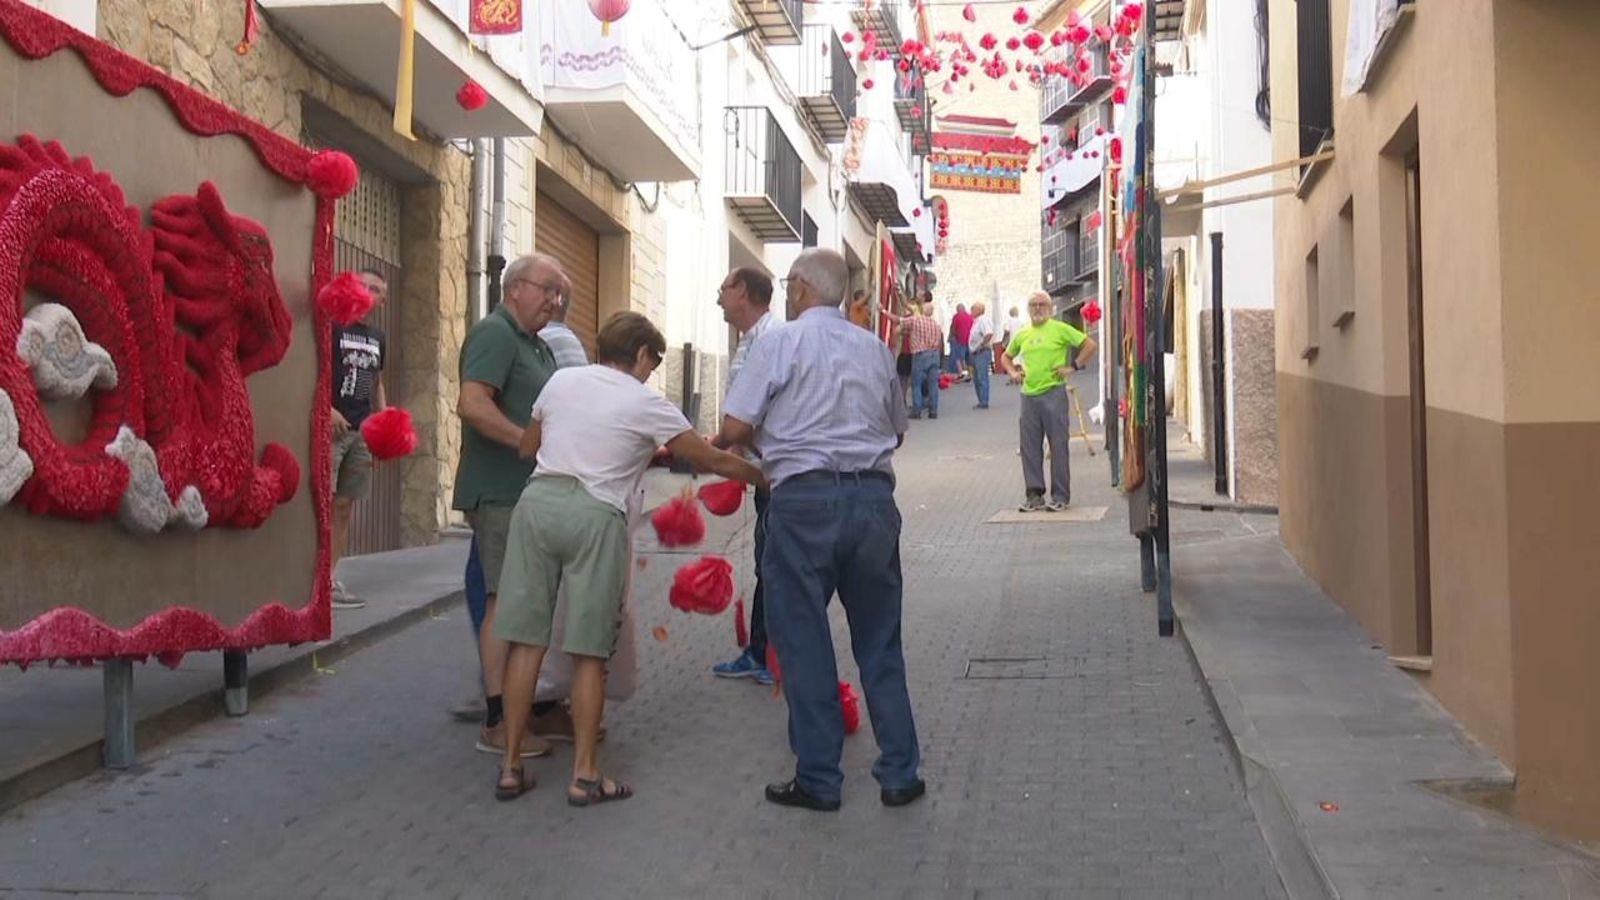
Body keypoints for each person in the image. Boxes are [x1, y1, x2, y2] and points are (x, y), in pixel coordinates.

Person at [494, 311, 766, 804]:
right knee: (589, 652)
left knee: (526, 643)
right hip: (595, 514)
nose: (650, 373)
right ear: (641, 354)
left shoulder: (561, 380)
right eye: (652, 363)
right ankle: (585, 775)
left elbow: (529, 447)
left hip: (536, 507)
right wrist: (765, 477)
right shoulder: (646, 402)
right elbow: (710, 459)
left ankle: (511, 768)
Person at [721, 248, 924, 812]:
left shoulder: (779, 342)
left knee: (804, 640)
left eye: (790, 286)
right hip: (872, 502)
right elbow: (897, 432)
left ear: (800, 289)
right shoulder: (876, 348)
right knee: (881, 642)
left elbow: (735, 424)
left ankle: (819, 779)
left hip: (803, 503)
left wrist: (765, 441)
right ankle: (901, 773)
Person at [453, 252, 565, 758]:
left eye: (559, 293)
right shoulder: (496, 333)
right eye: (547, 289)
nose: (555, 300)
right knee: (504, 602)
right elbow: (473, 403)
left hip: (528, 493)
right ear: (515, 287)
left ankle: (531, 705)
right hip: (499, 493)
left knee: (522, 602)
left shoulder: (535, 344)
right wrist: (527, 442)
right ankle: (498, 720)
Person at [709, 267, 781, 686]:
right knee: (768, 563)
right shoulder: (751, 340)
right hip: (762, 465)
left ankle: (769, 656)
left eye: (724, 289)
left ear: (743, 292)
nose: (719, 298)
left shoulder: (770, 341)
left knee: (772, 565)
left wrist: (717, 446)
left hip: (775, 471)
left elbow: (759, 411)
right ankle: (765, 652)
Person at [1001, 292, 1099, 512]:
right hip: (1028, 396)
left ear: (1051, 308)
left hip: (1054, 393)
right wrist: (1012, 372)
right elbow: (1005, 357)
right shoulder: (1023, 334)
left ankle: (1060, 496)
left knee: (1058, 445)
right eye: (1033, 305)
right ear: (1028, 309)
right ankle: (1034, 495)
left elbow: (1090, 345)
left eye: (1042, 305)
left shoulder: (1060, 329)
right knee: (1029, 447)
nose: (1038, 309)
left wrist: (1073, 366)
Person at [329, 269, 388, 610]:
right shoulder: (333, 326)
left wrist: (383, 424)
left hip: (362, 432)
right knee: (322, 504)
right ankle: (311, 580)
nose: (369, 293)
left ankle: (331, 580)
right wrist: (327, 409)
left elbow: (376, 381)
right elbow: (316, 370)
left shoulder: (377, 337)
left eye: (377, 290)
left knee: (344, 507)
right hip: (332, 430)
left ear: (383, 300)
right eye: (365, 285)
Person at [890, 298, 943, 420]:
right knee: (933, 384)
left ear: (923, 310)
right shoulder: (936, 325)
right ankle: (933, 411)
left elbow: (899, 321)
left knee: (916, 384)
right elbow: (940, 341)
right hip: (934, 355)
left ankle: (917, 410)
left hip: (920, 355)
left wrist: (883, 310)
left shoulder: (916, 321)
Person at [967, 301, 995, 410]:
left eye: (972, 309)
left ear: (979, 310)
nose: (971, 312)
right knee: (977, 378)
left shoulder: (983, 320)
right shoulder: (976, 321)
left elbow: (988, 333)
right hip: (975, 352)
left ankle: (984, 401)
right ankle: (981, 400)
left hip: (981, 352)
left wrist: (981, 344)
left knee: (981, 377)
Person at [948, 303, 974, 381]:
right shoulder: (970, 317)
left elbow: (953, 328)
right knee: (968, 358)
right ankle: (970, 374)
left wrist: (952, 337)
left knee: (958, 357)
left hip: (959, 340)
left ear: (958, 310)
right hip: (969, 340)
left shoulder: (956, 316)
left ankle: (961, 373)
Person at [1000, 305, 1025, 384]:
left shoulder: (1009, 321)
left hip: (1011, 342)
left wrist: (1003, 342)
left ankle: (1014, 376)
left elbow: (1006, 331)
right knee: (1019, 360)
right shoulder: (1021, 322)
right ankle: (1021, 376)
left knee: (1011, 360)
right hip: (1020, 343)